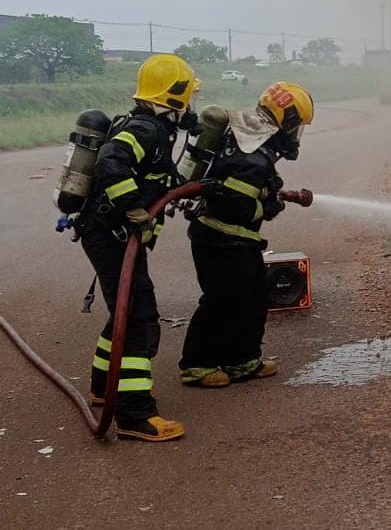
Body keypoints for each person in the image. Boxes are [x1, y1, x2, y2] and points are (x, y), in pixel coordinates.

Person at [75, 53, 200, 442]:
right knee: (139, 318)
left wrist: (177, 191)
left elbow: (158, 175)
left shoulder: (152, 131)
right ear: (174, 97)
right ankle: (133, 414)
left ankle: (103, 386)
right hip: (111, 235)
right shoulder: (147, 129)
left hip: (109, 234)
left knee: (124, 312)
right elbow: (112, 162)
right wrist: (134, 209)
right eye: (188, 98)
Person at [179, 81, 314, 388]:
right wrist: (267, 206)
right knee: (222, 301)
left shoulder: (251, 137)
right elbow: (235, 204)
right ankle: (197, 364)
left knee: (254, 297)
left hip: (238, 239)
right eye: (297, 127)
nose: (295, 135)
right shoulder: (252, 154)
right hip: (219, 239)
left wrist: (269, 191)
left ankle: (242, 360)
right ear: (288, 120)